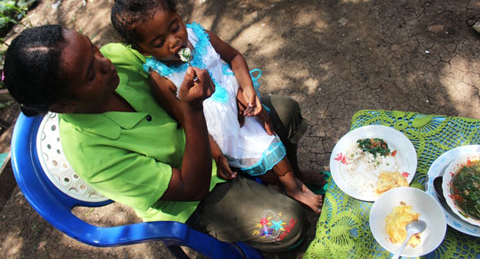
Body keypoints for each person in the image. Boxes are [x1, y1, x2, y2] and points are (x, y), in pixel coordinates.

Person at [4, 24, 311, 252]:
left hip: (216, 133)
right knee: (290, 226)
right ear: (64, 106)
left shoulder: (117, 58)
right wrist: (192, 112)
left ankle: (288, 179)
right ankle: (275, 193)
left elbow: (178, 61)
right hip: (198, 194)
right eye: (89, 74)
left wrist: (231, 92)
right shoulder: (92, 154)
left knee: (284, 110)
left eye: (93, 47)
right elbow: (193, 188)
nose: (105, 61)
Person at [110, 0, 324, 213]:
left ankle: (295, 177)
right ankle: (293, 187)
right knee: (269, 152)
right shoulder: (161, 78)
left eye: (175, 27)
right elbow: (186, 120)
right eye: (158, 43)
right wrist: (216, 154)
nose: (174, 41)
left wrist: (247, 88)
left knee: (274, 138)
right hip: (221, 129)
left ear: (179, 16)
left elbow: (234, 57)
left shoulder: (199, 36)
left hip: (240, 104)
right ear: (143, 50)